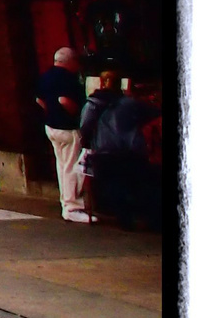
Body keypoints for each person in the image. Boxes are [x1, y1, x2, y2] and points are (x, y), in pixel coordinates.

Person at [92, 80, 162, 231]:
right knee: (140, 183)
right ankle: (148, 219)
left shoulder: (100, 105)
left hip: (104, 149)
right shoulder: (130, 104)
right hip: (125, 149)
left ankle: (124, 218)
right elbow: (154, 113)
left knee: (116, 185)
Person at [35, 46, 89, 223]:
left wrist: (51, 112)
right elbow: (65, 101)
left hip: (51, 126)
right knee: (72, 166)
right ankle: (73, 206)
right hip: (67, 127)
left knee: (62, 166)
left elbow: (39, 100)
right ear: (71, 62)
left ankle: (65, 202)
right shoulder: (69, 79)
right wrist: (75, 114)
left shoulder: (46, 76)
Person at [78, 69, 125, 220]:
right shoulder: (125, 101)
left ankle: (104, 207)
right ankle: (122, 210)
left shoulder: (94, 102)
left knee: (100, 176)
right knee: (121, 176)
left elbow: (86, 124)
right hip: (123, 145)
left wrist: (85, 140)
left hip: (101, 145)